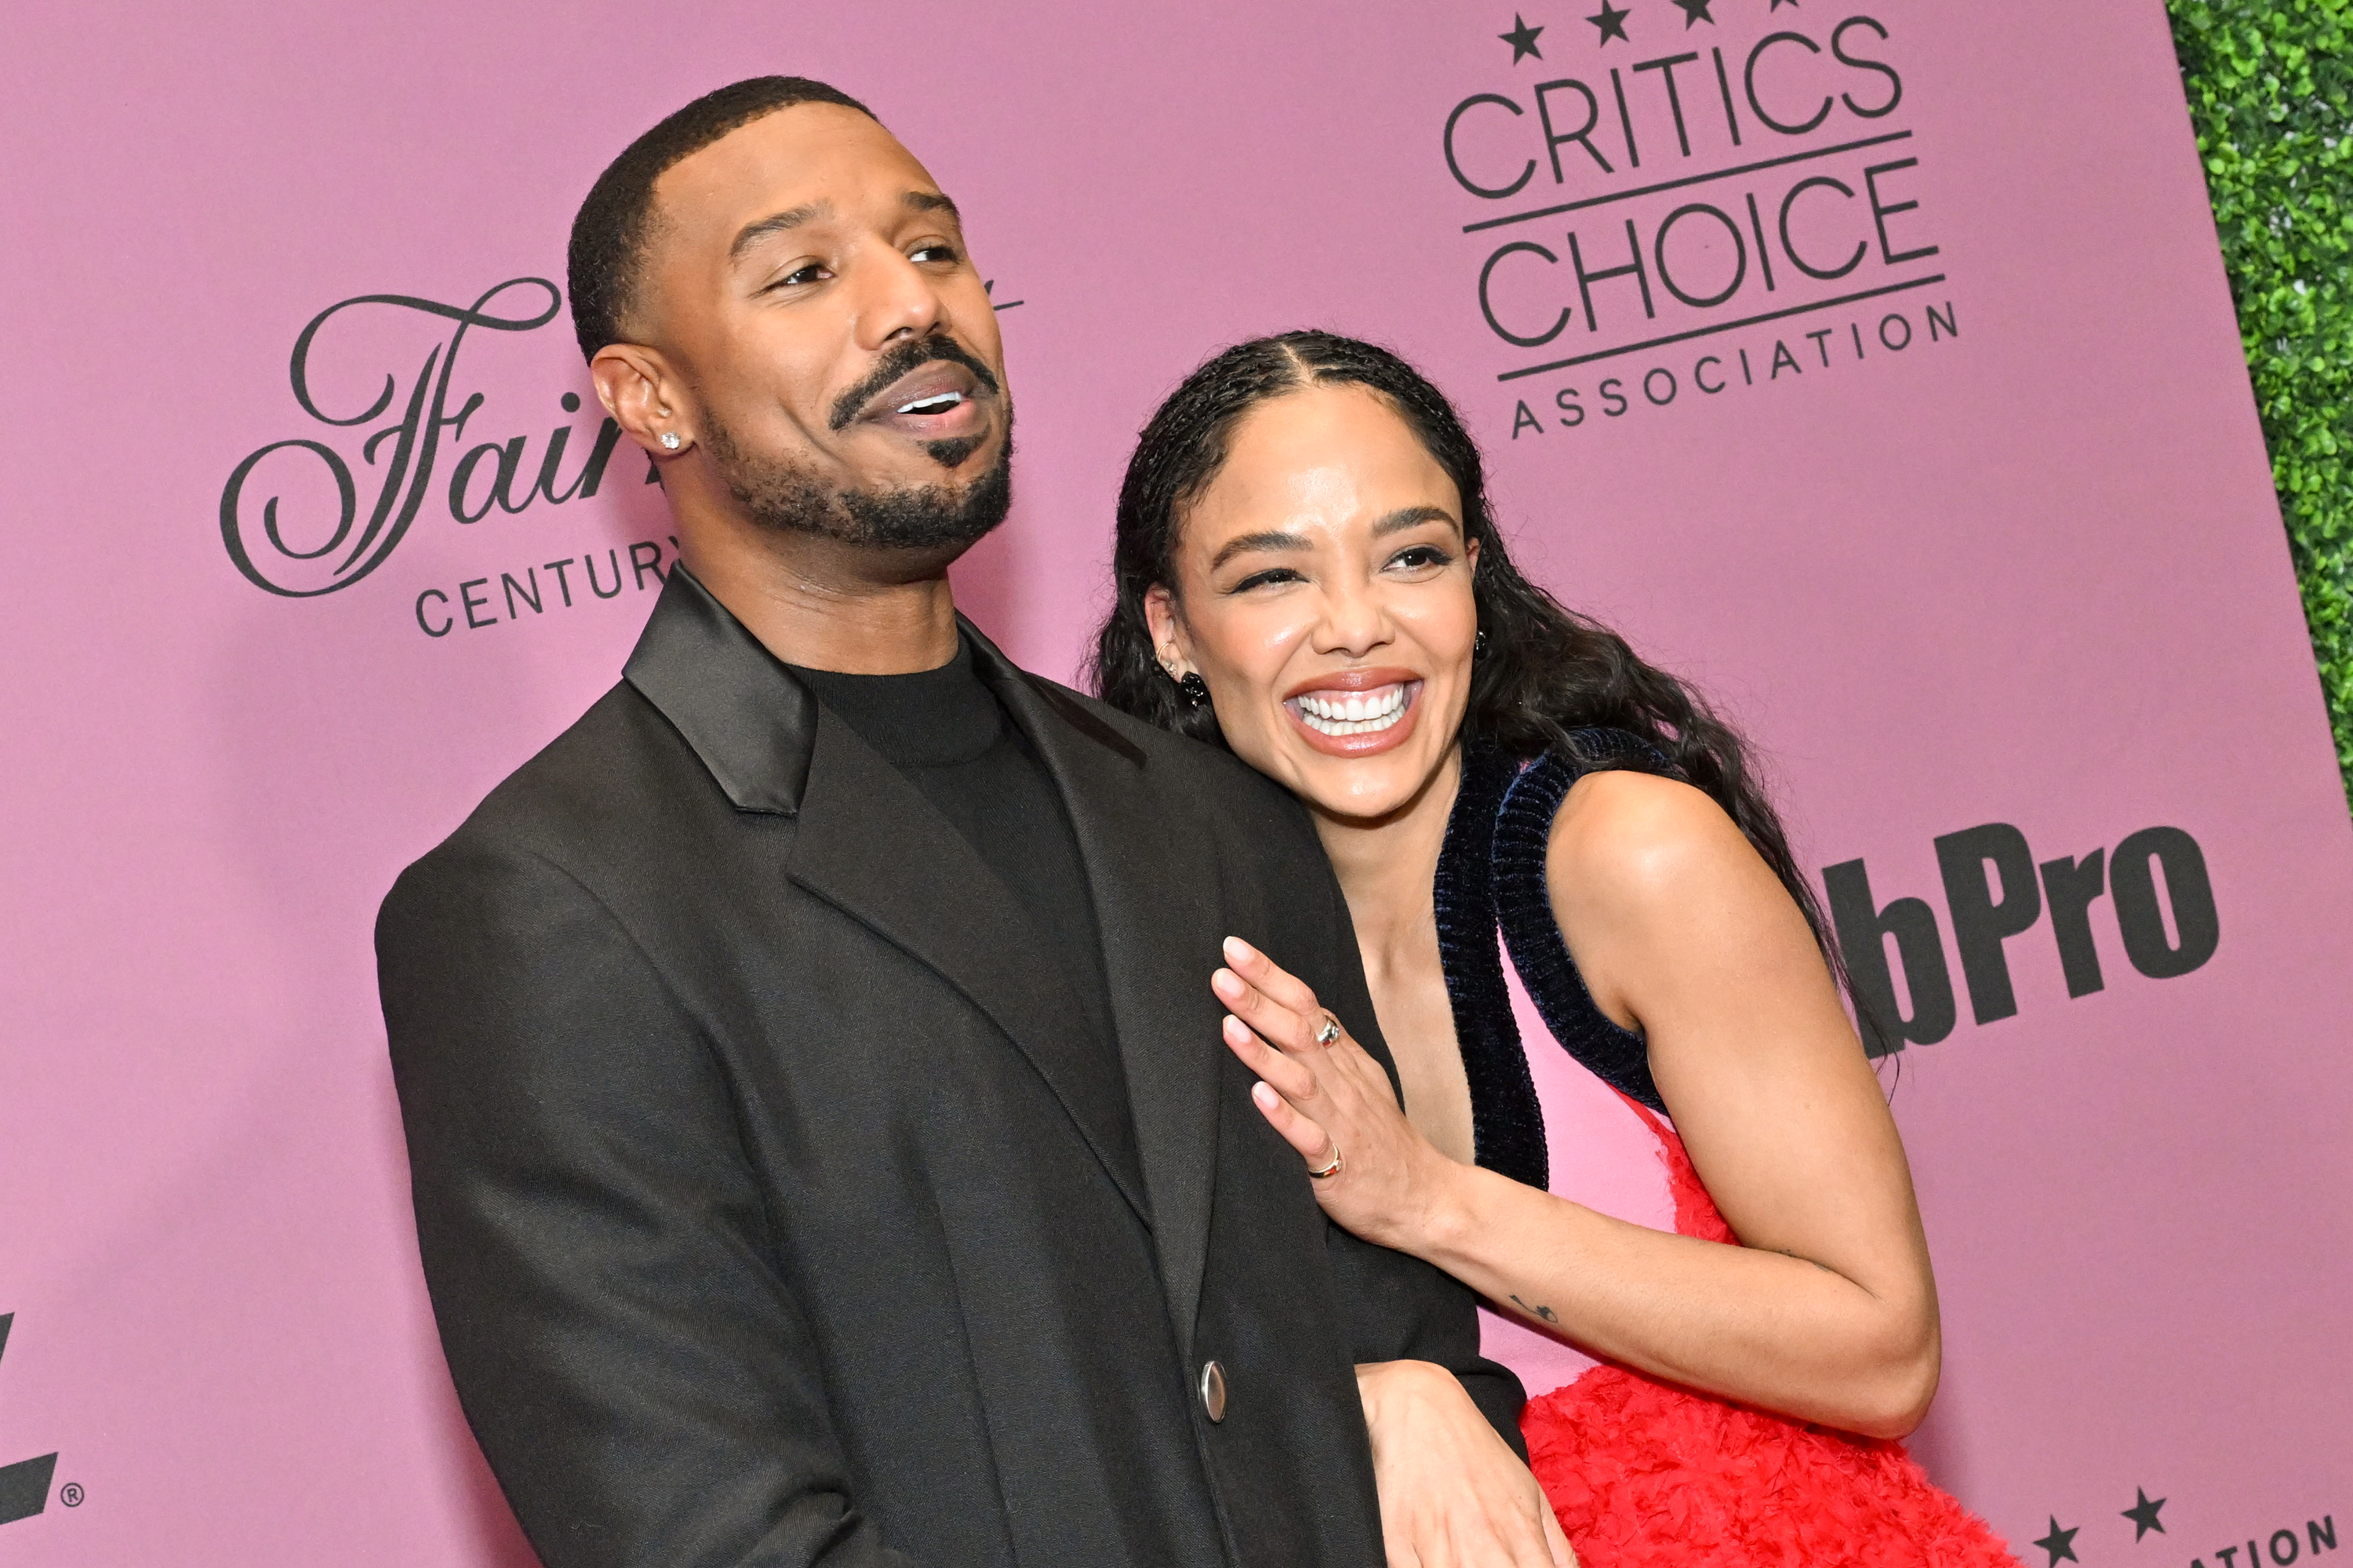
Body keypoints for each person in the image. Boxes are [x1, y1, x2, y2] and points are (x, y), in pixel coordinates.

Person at [376, 82, 1573, 1568]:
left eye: (933, 250)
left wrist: (1410, 1395)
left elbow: (1395, 1339)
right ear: (649, 397)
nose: (910, 306)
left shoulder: (1209, 816)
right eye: (806, 274)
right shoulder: (547, 908)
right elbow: (701, 1532)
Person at [1090, 330, 2024, 1565]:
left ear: (1475, 574)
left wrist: (1427, 1200)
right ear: (1171, 627)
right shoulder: (1148, 936)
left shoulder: (1624, 853)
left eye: (1412, 556)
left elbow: (1881, 1347)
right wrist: (1372, 1400)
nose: (1357, 627)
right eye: (1274, 579)